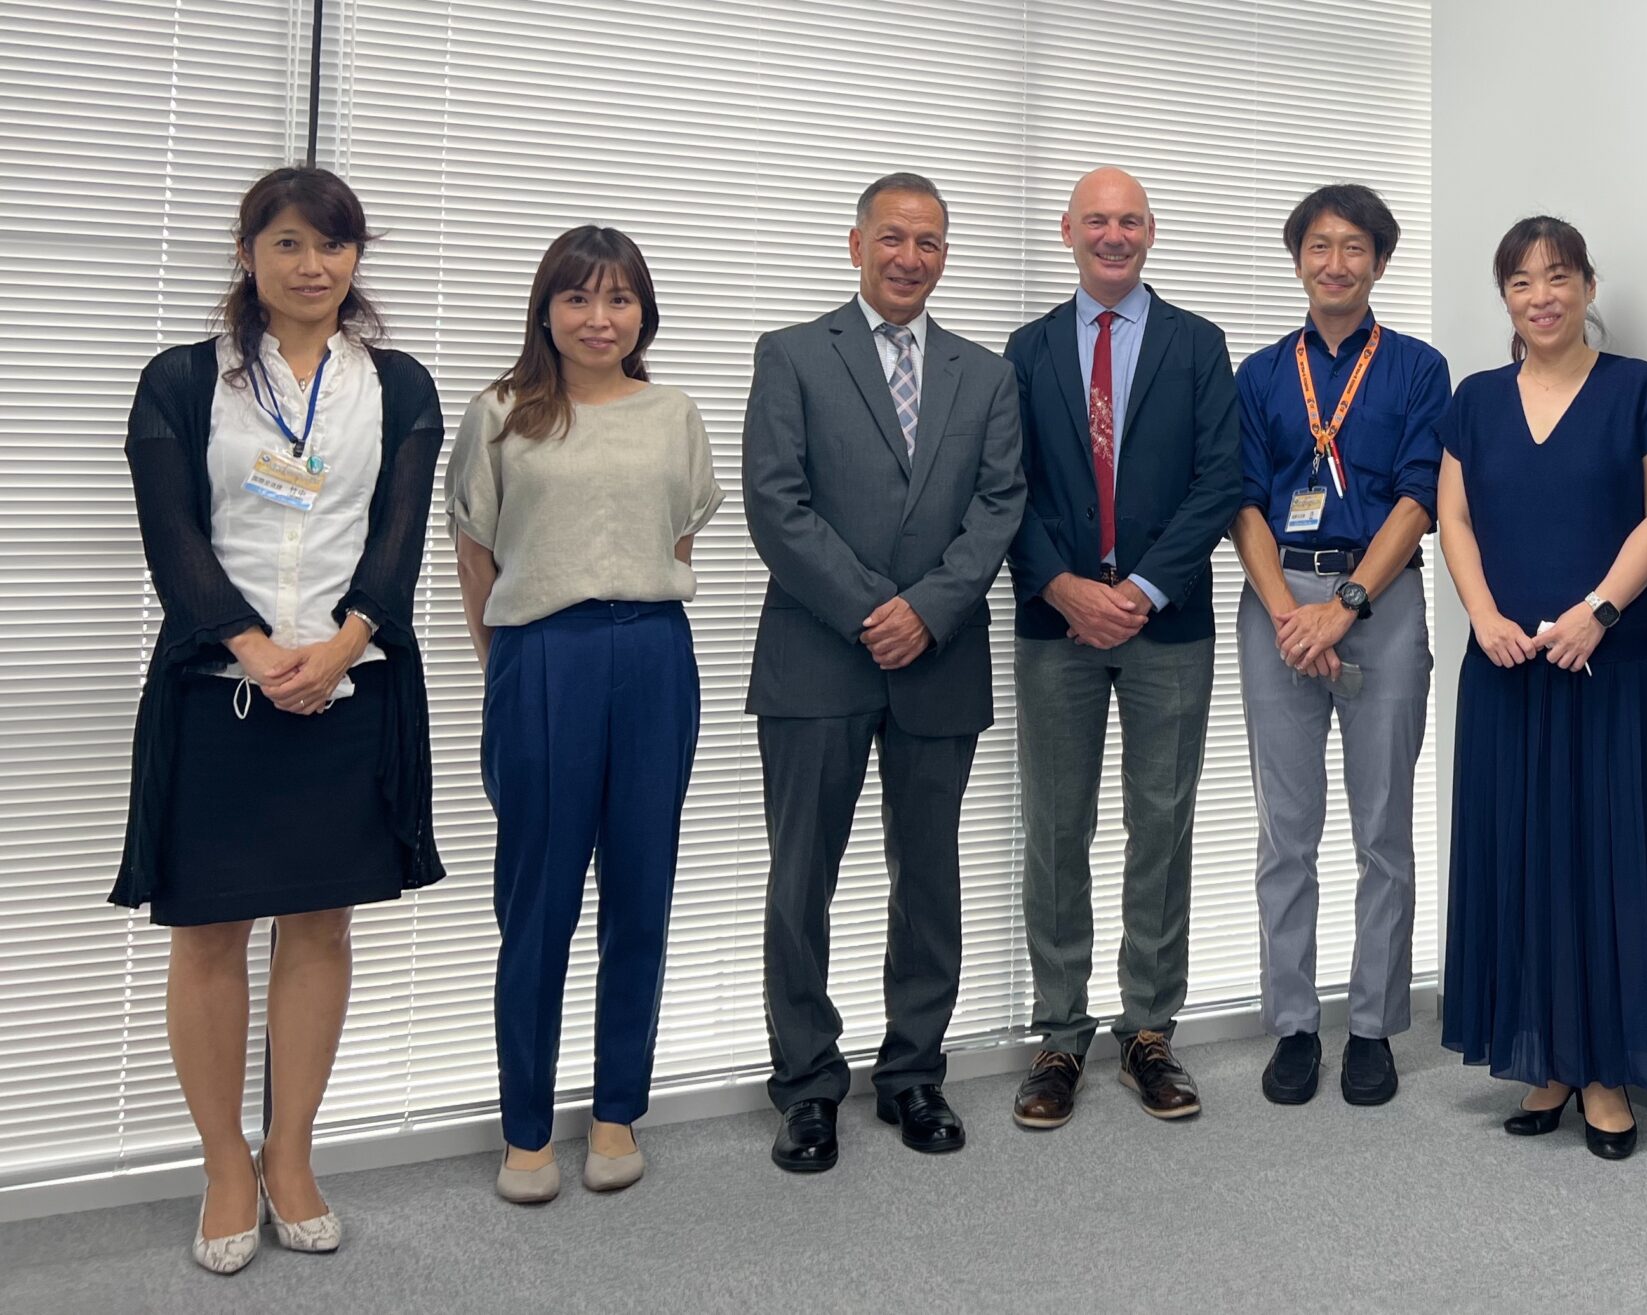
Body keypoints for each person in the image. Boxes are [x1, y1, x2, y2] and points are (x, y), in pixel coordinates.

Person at [112, 165, 444, 1273]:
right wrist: (253, 647)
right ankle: (223, 1163)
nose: (316, 267)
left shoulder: (397, 386)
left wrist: (344, 644)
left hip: (352, 688)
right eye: (292, 244)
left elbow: (395, 541)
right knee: (207, 934)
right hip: (220, 690)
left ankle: (292, 1155)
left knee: (323, 928)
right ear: (248, 254)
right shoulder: (178, 381)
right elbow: (176, 541)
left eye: (336, 246)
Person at [747, 172, 1026, 1171]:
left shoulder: (985, 375)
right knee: (800, 880)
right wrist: (876, 610)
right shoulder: (789, 356)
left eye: (932, 243)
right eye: (895, 238)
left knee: (930, 879)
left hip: (939, 663)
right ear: (856, 242)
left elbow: (999, 507)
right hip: (817, 655)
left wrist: (930, 610)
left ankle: (914, 1072)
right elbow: (775, 506)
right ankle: (808, 1084)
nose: (912, 257)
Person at [450, 226, 722, 1203]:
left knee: (640, 892)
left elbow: (675, 532)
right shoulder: (499, 413)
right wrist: (511, 670)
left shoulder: (672, 414)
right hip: (540, 658)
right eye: (577, 299)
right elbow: (476, 554)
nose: (598, 319)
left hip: (652, 653)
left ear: (644, 313)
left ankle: (616, 1112)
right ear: (546, 309)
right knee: (538, 902)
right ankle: (526, 1129)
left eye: (619, 300)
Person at [1437, 215, 1647, 1160]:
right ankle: (1544, 1055)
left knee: (1609, 862)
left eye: (1558, 276)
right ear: (1503, 297)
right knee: (1522, 860)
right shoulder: (1473, 399)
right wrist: (1482, 615)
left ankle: (1605, 1074)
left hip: (1615, 665)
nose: (1540, 296)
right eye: (1520, 282)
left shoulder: (1641, 392)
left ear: (1589, 285)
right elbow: (1455, 520)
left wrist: (1597, 610)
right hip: (1506, 665)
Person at [1003, 167, 1241, 1129]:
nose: (1113, 235)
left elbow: (1219, 478)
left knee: (1163, 825)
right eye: (1096, 220)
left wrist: (1138, 590)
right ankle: (1059, 1033)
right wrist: (1064, 585)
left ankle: (1149, 1030)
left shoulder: (1197, 344)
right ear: (1067, 231)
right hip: (1054, 622)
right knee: (1056, 832)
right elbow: (1000, 488)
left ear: (1152, 232)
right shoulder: (1022, 352)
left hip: (1165, 624)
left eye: (1129, 221)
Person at [1230, 184, 1448, 1107]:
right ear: (1297, 260)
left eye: (1354, 248)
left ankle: (1371, 1027)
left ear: (1381, 262)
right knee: (1286, 832)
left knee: (1382, 830)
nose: (1336, 263)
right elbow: (1238, 499)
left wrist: (1346, 605)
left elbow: (1421, 494)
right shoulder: (1260, 373)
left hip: (1382, 595)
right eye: (1319, 246)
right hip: (1277, 594)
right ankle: (1291, 1025)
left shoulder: (1417, 368)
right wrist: (1291, 611)